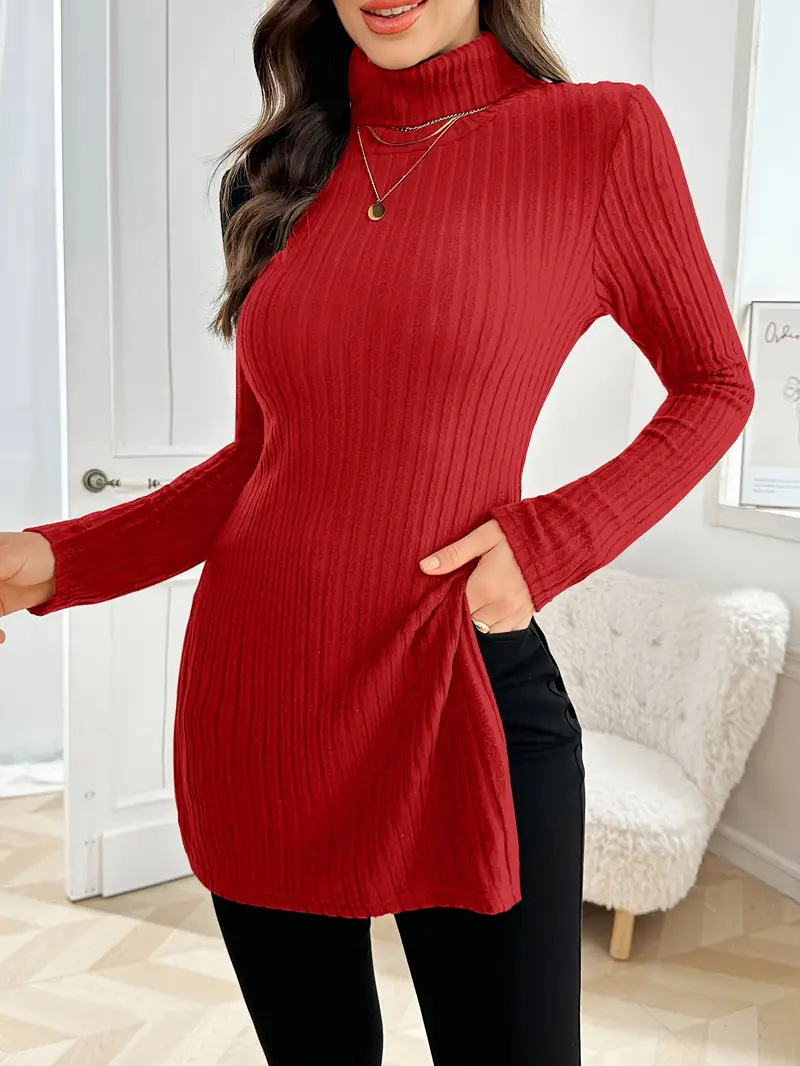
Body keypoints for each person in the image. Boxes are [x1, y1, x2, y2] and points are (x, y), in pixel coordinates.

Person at [0, 1, 755, 1063]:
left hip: (457, 692)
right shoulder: (274, 176)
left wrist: (547, 542)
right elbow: (261, 465)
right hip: (260, 705)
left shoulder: (598, 135)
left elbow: (715, 382)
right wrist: (53, 560)